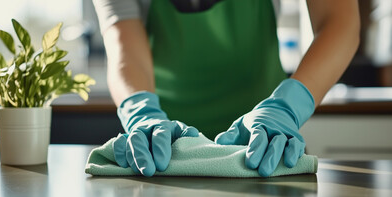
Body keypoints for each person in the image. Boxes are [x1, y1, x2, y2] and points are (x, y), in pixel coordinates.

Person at [92, 0, 360, 177]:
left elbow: (340, 22)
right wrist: (143, 114)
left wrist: (286, 109)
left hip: (265, 141)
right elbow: (125, 49)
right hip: (165, 146)